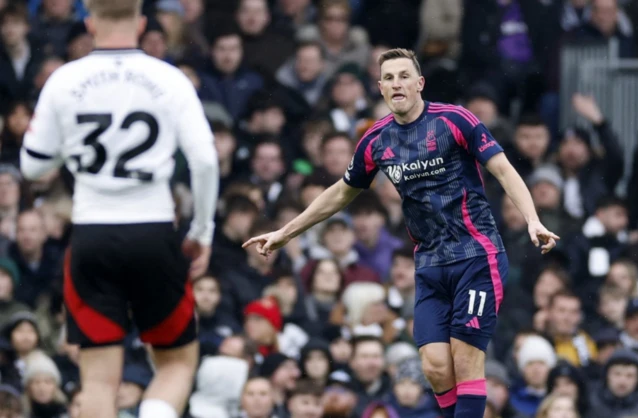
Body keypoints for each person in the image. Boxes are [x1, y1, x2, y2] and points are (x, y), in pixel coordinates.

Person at [244, 48, 559, 418]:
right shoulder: (376, 140)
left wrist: (532, 218)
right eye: (389, 78)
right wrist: (285, 232)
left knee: (466, 358)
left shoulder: (455, 120)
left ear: (419, 83)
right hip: (429, 264)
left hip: (476, 255)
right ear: (379, 88)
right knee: (436, 367)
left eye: (404, 75)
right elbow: (341, 193)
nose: (397, 83)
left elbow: (503, 170)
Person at [19, 1, 219, 418]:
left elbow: (33, 164)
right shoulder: (168, 78)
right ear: (142, 23)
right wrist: (202, 230)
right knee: (178, 362)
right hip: (153, 228)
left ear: (90, 22)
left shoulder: (64, 80)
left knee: (97, 380)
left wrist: (70, 152)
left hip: (92, 231)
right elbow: (204, 161)